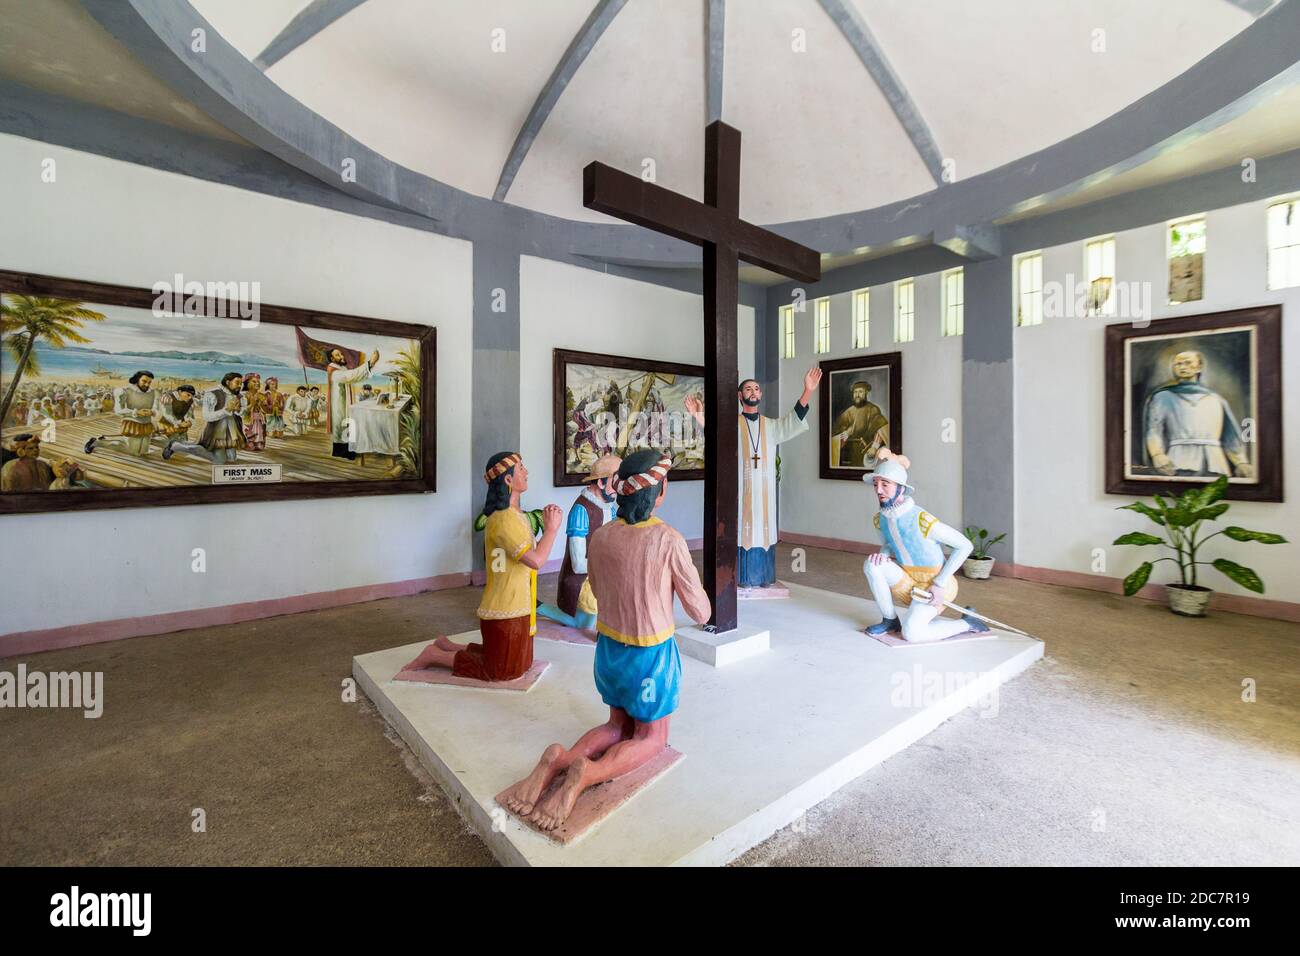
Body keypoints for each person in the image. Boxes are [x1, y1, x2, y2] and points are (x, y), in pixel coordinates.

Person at [499, 450, 711, 831]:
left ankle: (561, 758)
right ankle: (586, 774)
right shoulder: (668, 539)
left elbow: (594, 587)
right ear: (659, 493)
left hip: (609, 650)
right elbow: (701, 613)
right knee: (652, 736)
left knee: (616, 725)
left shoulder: (602, 536)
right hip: (651, 656)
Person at [399, 453, 563, 682]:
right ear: (507, 480)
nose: (527, 473)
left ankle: (449, 646)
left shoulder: (516, 515)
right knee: (502, 671)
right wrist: (552, 530)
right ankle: (434, 655)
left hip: (520, 603)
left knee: (520, 663)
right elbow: (535, 561)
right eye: (522, 468)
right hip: (506, 607)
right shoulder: (504, 519)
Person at [686, 367, 822, 589]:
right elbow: (716, 433)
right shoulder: (733, 425)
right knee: (742, 531)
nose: (753, 391)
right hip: (741, 491)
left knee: (764, 531)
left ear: (760, 395)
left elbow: (792, 421)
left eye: (756, 389)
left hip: (765, 494)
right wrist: (698, 416)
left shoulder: (771, 426)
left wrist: (807, 390)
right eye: (748, 388)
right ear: (740, 396)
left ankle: (764, 578)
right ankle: (742, 579)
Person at [862, 449, 988, 643]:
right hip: (908, 582)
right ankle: (890, 620)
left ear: (901, 489)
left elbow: (964, 546)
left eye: (885, 484)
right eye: (876, 484)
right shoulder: (880, 520)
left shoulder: (922, 520)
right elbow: (889, 543)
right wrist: (884, 554)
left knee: (912, 634)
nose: (878, 490)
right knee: (872, 564)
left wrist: (939, 584)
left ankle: (967, 623)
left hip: (934, 585)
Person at [537, 454, 622, 630]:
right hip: (580, 580)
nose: (618, 489)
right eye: (615, 482)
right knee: (584, 623)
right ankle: (539, 607)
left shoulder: (610, 509)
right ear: (600, 483)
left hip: (601, 575)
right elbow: (577, 565)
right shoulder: (581, 511)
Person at [1143, 350, 1253, 478]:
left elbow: (1230, 436)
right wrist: (1157, 454)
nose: (1182, 367)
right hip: (1179, 460)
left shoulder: (1215, 399)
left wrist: (1241, 462)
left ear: (1199, 367)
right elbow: (1154, 429)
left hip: (1215, 462)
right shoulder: (1162, 396)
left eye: (1188, 363)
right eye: (1178, 364)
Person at [163, 373, 246, 464]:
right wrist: (226, 410)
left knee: (231, 459)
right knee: (219, 460)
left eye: (241, 383)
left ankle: (180, 444)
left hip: (231, 433)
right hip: (216, 433)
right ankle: (175, 446)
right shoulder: (212, 394)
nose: (239, 386)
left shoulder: (239, 396)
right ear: (227, 382)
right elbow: (207, 416)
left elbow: (242, 414)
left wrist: (239, 410)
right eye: (237, 383)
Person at [84, 370, 156, 457]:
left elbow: (157, 408)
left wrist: (152, 412)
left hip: (147, 425)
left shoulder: (152, 392)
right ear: (137, 379)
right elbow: (118, 410)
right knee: (133, 452)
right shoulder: (125, 391)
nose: (147, 385)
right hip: (133, 423)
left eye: (149, 382)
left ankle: (112, 439)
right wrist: (136, 412)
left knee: (144, 452)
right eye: (144, 381)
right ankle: (97, 443)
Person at [326, 348, 379, 459]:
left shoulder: (341, 368)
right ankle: (342, 452)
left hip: (344, 403)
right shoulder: (335, 371)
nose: (342, 356)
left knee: (346, 426)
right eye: (337, 355)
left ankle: (347, 450)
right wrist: (370, 363)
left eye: (341, 354)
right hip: (339, 405)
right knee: (342, 427)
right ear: (332, 359)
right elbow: (352, 375)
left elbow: (351, 375)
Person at [832, 380, 889, 468]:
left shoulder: (873, 409)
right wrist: (844, 433)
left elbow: (880, 428)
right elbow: (836, 429)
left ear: (866, 393)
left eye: (860, 391)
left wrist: (874, 446)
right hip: (849, 452)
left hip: (867, 451)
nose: (857, 394)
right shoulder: (849, 411)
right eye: (855, 392)